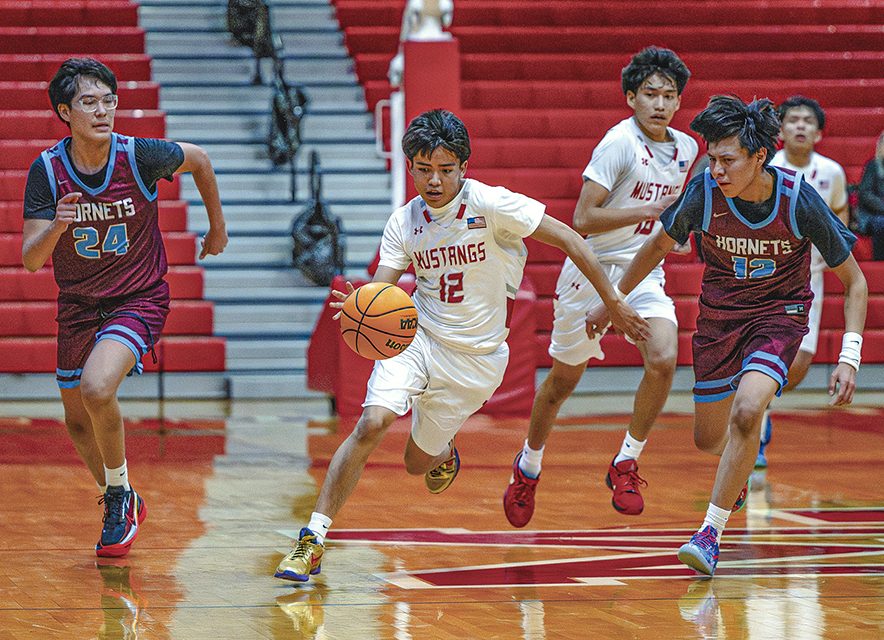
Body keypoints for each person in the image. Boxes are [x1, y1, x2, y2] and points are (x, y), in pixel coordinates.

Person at [274, 109, 651, 582]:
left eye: (445, 170)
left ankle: (443, 448)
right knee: (371, 423)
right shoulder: (404, 222)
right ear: (409, 167)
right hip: (417, 338)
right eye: (424, 169)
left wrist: (613, 303)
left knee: (416, 465)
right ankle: (313, 538)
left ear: (463, 168)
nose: (434, 180)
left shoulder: (494, 205)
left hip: (476, 361)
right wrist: (361, 305)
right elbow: (382, 294)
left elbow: (575, 240)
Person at [587, 95, 866, 576]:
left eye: (726, 159)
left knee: (747, 409)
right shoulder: (704, 193)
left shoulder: (798, 198)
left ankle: (709, 533)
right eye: (711, 158)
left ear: (760, 157)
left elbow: (855, 281)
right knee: (707, 438)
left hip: (779, 317)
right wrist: (613, 298)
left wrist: (850, 355)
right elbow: (656, 246)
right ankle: (735, 468)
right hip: (719, 322)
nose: (715, 168)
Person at [21, 58, 228, 557]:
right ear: (64, 112)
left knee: (96, 387)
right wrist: (57, 226)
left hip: (138, 296)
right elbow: (30, 260)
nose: (103, 110)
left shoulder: (140, 156)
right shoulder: (47, 171)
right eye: (89, 102)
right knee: (75, 420)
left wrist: (217, 227)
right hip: (77, 304)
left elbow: (198, 158)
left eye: (109, 100)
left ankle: (116, 495)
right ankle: (125, 494)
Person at [502, 46, 698, 527]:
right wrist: (649, 214)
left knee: (665, 357)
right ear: (631, 97)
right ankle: (528, 467)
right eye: (649, 93)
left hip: (643, 268)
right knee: (562, 383)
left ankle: (626, 462)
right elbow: (582, 218)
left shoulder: (688, 149)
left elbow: (673, 229)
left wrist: (674, 238)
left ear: (678, 103)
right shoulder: (618, 144)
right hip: (590, 268)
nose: (659, 103)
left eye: (668, 96)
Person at [757, 96, 850, 467]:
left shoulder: (833, 172)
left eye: (807, 120)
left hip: (810, 277)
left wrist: (834, 247)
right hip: (768, 277)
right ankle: (756, 427)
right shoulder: (766, 166)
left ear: (819, 132)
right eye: (792, 119)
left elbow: (841, 214)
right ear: (779, 130)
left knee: (798, 365)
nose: (799, 126)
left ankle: (758, 402)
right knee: (766, 355)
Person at [856, 131, 884, 260]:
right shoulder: (873, 166)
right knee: (881, 223)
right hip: (873, 215)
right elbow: (865, 194)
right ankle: (880, 261)